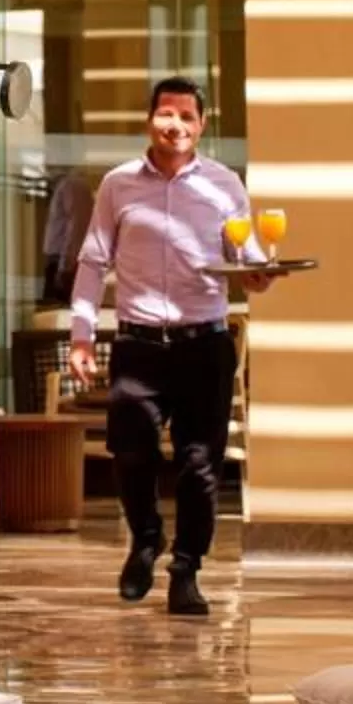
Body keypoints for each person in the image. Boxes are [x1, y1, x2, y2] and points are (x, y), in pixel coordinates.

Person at [65, 79, 267, 618]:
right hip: (138, 344)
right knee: (130, 453)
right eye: (165, 114)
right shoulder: (118, 185)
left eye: (186, 116)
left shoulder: (225, 185)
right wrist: (81, 335)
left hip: (205, 345)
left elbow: (245, 257)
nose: (174, 124)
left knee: (201, 465)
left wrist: (257, 276)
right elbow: (92, 262)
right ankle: (146, 539)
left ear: (201, 126)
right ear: (149, 119)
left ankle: (185, 571)